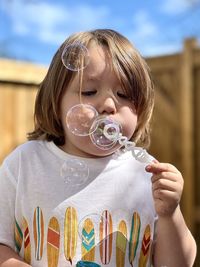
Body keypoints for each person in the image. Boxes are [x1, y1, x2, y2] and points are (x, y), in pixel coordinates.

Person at [0, 29, 196, 267]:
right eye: (89, 92)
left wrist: (170, 214)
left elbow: (178, 263)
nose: (109, 105)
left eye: (124, 94)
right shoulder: (24, 163)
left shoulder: (146, 172)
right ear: (55, 103)